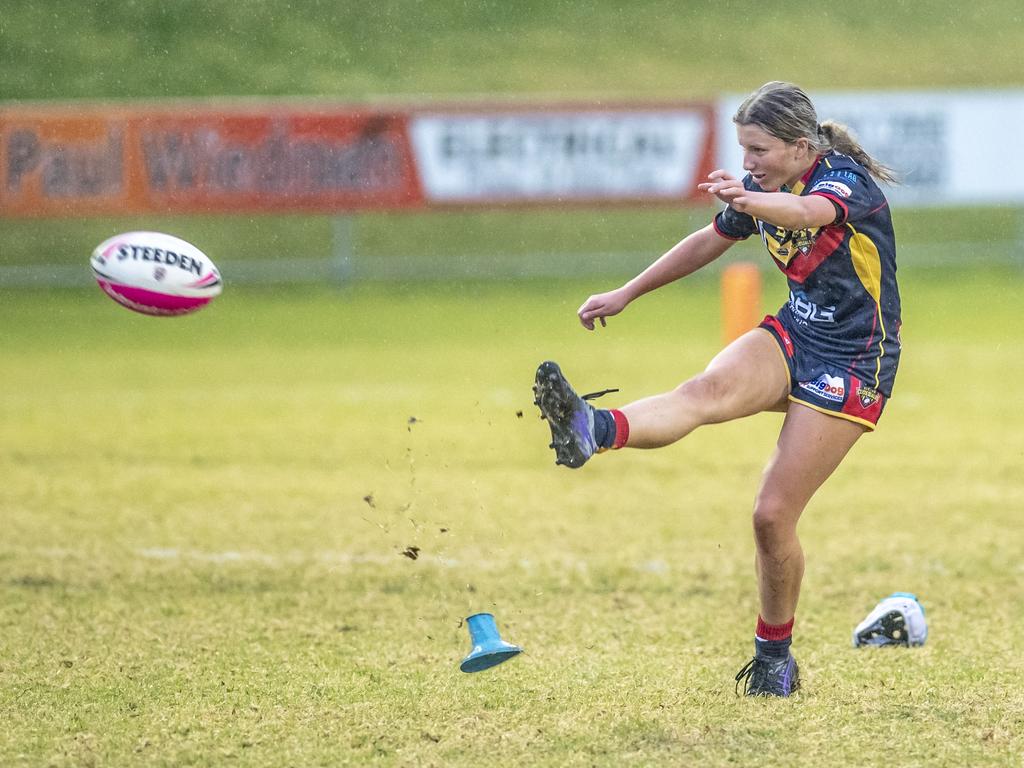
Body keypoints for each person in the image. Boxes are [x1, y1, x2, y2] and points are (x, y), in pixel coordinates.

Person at [533, 81, 901, 698]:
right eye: (743, 149)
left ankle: (774, 660)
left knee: (770, 516)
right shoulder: (760, 187)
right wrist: (627, 292)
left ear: (800, 148)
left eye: (758, 150)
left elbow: (807, 215)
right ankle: (591, 429)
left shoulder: (843, 183)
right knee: (701, 391)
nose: (748, 162)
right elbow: (710, 239)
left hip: (857, 360)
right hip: (798, 330)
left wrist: (751, 200)